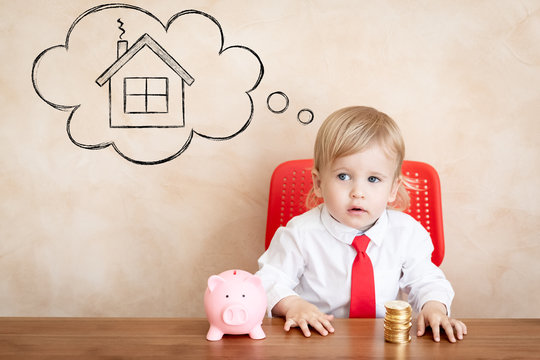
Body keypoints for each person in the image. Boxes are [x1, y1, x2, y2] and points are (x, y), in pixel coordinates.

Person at [256, 106, 467, 342]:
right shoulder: (300, 233)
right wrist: (293, 305)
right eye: (343, 176)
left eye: (373, 179)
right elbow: (267, 281)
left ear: (393, 189)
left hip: (383, 343)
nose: (358, 192)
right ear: (318, 183)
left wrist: (434, 307)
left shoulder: (406, 232)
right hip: (315, 340)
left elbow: (426, 280)